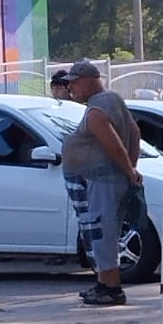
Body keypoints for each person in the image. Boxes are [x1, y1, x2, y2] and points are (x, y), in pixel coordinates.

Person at [61, 59, 144, 308]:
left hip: (102, 180)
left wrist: (128, 170)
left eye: (75, 82)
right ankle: (103, 284)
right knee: (101, 231)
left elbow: (111, 142)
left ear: (91, 80)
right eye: (69, 83)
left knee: (102, 232)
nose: (71, 87)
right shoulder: (112, 99)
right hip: (105, 179)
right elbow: (135, 133)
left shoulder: (98, 110)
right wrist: (130, 168)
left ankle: (112, 289)